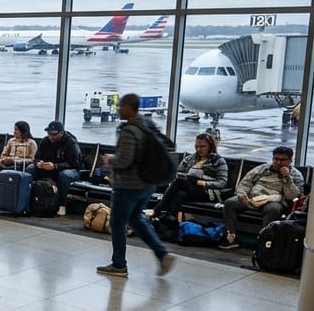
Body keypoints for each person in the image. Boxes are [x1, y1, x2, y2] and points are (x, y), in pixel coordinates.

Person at [98, 93, 176, 277]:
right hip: (147, 184)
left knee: (117, 222)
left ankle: (118, 265)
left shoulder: (129, 130)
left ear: (128, 107)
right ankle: (162, 254)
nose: (118, 109)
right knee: (136, 219)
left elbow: (124, 160)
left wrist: (110, 159)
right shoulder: (148, 124)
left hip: (128, 185)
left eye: (121, 106)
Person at [220, 146, 304, 250]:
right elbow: (246, 182)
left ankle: (263, 242)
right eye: (276, 159)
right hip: (252, 198)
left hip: (273, 200)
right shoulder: (263, 168)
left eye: (283, 160)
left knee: (273, 210)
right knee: (229, 203)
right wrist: (242, 194)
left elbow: (293, 197)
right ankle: (230, 236)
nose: (278, 162)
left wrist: (287, 179)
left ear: (290, 161)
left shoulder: (296, 175)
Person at [154, 132, 228, 219]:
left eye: (203, 146)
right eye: (197, 146)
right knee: (179, 194)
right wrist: (188, 178)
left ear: (211, 146)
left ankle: (158, 209)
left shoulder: (219, 161)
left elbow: (222, 183)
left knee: (179, 182)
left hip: (208, 193)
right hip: (189, 189)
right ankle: (171, 222)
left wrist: (199, 182)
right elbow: (178, 173)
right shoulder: (190, 159)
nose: (199, 149)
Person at [32, 120, 83, 215]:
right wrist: (39, 163)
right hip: (49, 167)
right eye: (49, 134)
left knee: (64, 175)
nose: (51, 137)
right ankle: (29, 200)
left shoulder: (71, 143)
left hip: (71, 170)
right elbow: (37, 157)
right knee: (30, 169)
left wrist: (56, 166)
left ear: (61, 133)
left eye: (54, 134)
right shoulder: (44, 141)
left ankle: (61, 205)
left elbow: (75, 163)